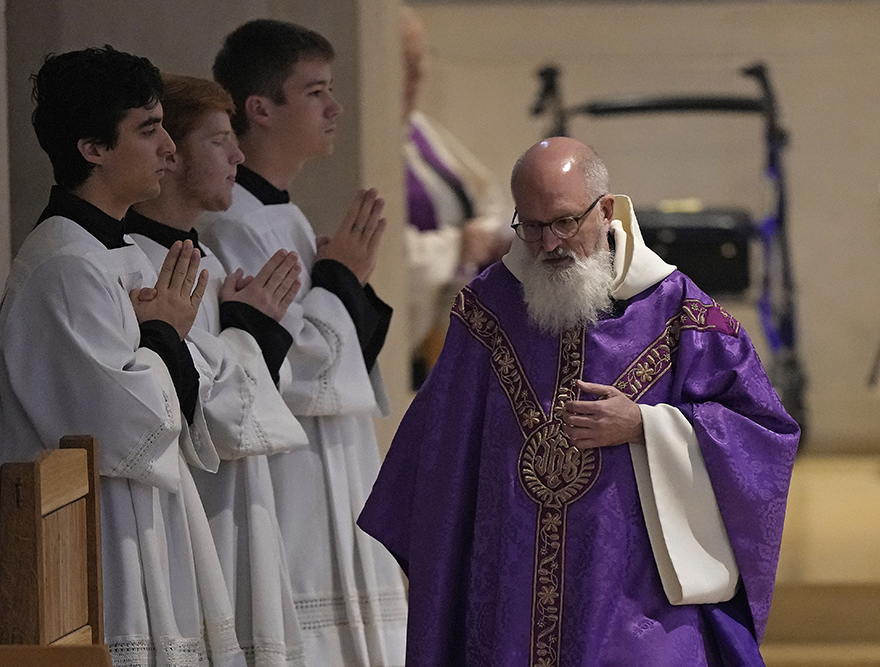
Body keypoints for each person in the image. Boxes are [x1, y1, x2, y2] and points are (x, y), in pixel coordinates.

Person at [359, 137, 800, 666]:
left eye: (566, 222)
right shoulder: (487, 311)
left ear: (606, 209)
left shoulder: (682, 314)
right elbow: (436, 459)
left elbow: (763, 432)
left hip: (635, 603)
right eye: (533, 225)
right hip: (512, 601)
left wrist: (646, 425)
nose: (550, 243)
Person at [0, 46, 247, 666]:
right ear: (92, 148)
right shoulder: (66, 267)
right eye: (148, 131)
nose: (169, 152)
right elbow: (127, 426)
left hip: (140, 525)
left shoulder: (112, 251)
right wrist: (165, 338)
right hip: (96, 553)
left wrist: (169, 338)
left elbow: (191, 392)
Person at [200, 19, 408, 666]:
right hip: (288, 479)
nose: (335, 108)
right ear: (259, 109)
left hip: (330, 464)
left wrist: (345, 278)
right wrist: (341, 276)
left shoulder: (281, 214)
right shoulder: (228, 223)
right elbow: (293, 367)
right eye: (315, 91)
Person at [127, 73, 309, 666]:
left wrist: (244, 326)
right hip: (193, 512)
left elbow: (242, 395)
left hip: (232, 503)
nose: (238, 155)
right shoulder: (140, 266)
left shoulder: (196, 255)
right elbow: (195, 407)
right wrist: (250, 331)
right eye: (219, 140)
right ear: (171, 154)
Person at [401, 7, 511, 387]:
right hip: (414, 352)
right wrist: (457, 247)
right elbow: (385, 256)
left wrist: (483, 234)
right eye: (406, 64)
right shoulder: (364, 141)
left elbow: (485, 194)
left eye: (420, 62)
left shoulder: (416, 128)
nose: (419, 77)